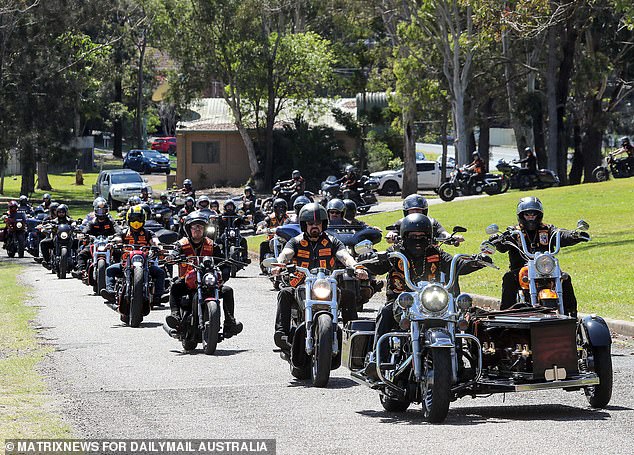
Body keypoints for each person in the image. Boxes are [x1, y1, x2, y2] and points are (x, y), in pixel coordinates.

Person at [359, 213, 488, 381]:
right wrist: (368, 258)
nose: (418, 240)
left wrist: (477, 261)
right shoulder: (395, 253)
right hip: (401, 303)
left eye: (422, 236)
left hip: (432, 304)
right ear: (405, 236)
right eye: (413, 236)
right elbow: (377, 266)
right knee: (385, 312)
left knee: (458, 317)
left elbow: (457, 264)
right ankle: (377, 359)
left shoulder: (437, 254)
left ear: (429, 236)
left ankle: (461, 363)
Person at [271, 203, 369, 352]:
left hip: (326, 285)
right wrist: (279, 264)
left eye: (318, 223)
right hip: (302, 284)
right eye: (310, 224)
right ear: (304, 225)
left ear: (324, 224)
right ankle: (281, 334)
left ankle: (353, 337)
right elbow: (286, 253)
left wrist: (356, 267)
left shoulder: (332, 242)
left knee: (348, 296)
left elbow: (345, 256)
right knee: (285, 293)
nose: (314, 226)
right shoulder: (296, 241)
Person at [488, 196, 589, 317]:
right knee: (508, 278)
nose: (531, 218)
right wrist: (498, 240)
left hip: (547, 269)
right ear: (521, 216)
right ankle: (505, 316)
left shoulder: (547, 229)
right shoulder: (514, 232)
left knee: (565, 279)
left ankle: (572, 316)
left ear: (539, 215)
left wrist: (574, 235)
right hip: (522, 271)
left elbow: (560, 235)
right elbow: (503, 247)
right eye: (527, 215)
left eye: (533, 215)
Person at [164, 212, 243, 337]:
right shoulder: (181, 244)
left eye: (200, 227)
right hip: (188, 281)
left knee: (228, 291)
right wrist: (172, 256)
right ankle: (176, 316)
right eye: (194, 227)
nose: (197, 230)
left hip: (207, 281)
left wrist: (227, 266)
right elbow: (174, 252)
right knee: (175, 286)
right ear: (189, 229)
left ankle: (229, 322)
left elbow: (221, 260)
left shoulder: (212, 245)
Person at [100, 205, 165, 306]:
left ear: (143, 219)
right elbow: (117, 239)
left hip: (146, 264)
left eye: (139, 218)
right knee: (110, 270)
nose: (136, 222)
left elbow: (155, 241)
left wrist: (159, 247)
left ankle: (158, 296)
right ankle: (111, 292)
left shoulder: (148, 233)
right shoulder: (123, 232)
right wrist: (113, 243)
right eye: (133, 219)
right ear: (128, 219)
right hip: (126, 264)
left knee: (160, 272)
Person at [385, 194, 463, 245]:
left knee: (449, 265)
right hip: (406, 253)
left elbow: (442, 233)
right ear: (406, 212)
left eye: (418, 210)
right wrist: (391, 235)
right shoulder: (402, 222)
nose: (415, 212)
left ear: (424, 211)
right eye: (412, 210)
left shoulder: (431, 222)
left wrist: (451, 237)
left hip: (429, 252)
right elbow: (390, 235)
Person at [73, 199, 121, 279]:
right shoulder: (92, 222)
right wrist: (82, 234)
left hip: (108, 243)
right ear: (95, 211)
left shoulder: (110, 222)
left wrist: (118, 235)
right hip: (94, 243)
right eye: (99, 211)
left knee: (118, 252)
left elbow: (118, 229)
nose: (101, 213)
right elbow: (86, 230)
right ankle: (81, 271)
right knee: (82, 254)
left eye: (103, 211)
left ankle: (119, 272)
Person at [256, 198, 290, 271]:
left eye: (282, 207)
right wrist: (260, 228)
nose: (280, 209)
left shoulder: (288, 219)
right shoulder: (270, 218)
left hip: (284, 239)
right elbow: (263, 223)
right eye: (278, 207)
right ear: (274, 208)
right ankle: (263, 266)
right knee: (263, 245)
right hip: (272, 239)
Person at [40, 204, 73, 268]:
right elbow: (47, 224)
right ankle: (47, 261)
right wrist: (47, 225)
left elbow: (74, 223)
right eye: (59, 212)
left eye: (63, 212)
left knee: (78, 242)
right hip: (56, 239)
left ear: (65, 213)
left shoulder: (69, 220)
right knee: (43, 243)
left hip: (68, 239)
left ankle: (77, 262)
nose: (61, 214)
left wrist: (75, 225)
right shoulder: (54, 221)